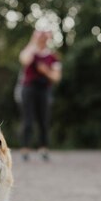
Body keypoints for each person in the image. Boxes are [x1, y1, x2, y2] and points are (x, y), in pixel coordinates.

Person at [18, 30, 62, 161]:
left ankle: (43, 148)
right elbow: (25, 60)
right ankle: (25, 148)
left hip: (44, 90)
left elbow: (56, 77)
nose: (42, 39)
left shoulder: (53, 57)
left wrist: (46, 71)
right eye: (39, 37)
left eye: (44, 37)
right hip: (29, 89)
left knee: (44, 119)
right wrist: (33, 40)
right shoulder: (31, 53)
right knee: (27, 119)